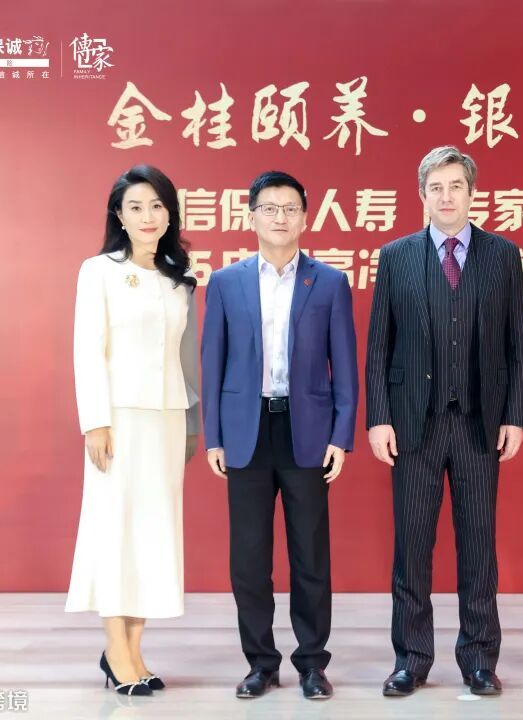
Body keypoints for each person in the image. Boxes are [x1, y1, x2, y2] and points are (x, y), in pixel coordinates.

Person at [365, 145, 523, 697]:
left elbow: (516, 343)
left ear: (472, 192)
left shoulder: (502, 255)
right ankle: (411, 659)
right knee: (412, 548)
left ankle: (479, 658)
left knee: (479, 546)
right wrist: (379, 418)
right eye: (435, 187)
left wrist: (515, 416)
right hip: (415, 423)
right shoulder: (397, 256)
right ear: (422, 196)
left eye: (456, 185)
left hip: (480, 422)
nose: (446, 196)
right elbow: (378, 344)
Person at [201, 171, 358, 701]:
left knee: (310, 556)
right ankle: (261, 663)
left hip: (306, 431)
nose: (280, 218)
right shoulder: (226, 283)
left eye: (290, 209)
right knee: (249, 558)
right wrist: (214, 437)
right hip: (246, 431)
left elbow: (345, 366)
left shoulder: (329, 283)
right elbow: (212, 362)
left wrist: (341, 434)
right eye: (269, 208)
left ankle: (312, 663)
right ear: (251, 216)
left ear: (305, 218)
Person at [66, 164, 201, 696]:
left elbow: (184, 362)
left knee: (153, 532)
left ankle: (134, 650)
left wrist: (191, 426)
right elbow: (88, 349)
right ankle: (115, 651)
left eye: (158, 206)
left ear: (170, 214)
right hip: (118, 420)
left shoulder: (178, 280)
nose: (148, 217)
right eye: (136, 207)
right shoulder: (98, 271)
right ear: (119, 216)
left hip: (167, 420)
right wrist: (95, 422)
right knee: (116, 530)